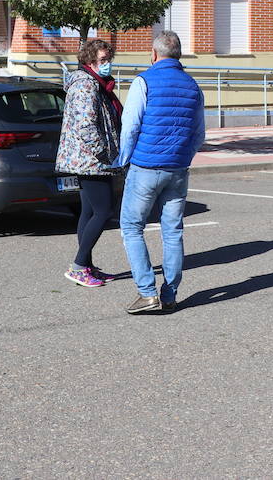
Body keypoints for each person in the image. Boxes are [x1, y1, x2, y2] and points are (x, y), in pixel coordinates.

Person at [116, 31, 206, 314]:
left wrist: (124, 159)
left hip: (146, 166)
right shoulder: (193, 86)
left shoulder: (144, 81)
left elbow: (130, 125)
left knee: (132, 227)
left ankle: (146, 292)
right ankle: (169, 293)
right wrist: (184, 156)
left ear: (153, 55)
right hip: (178, 168)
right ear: (178, 55)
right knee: (173, 232)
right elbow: (199, 133)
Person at [55, 38, 124, 289]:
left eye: (108, 59)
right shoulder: (85, 85)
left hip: (89, 159)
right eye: (102, 60)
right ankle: (78, 266)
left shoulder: (96, 83)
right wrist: (104, 154)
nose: (107, 64)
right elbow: (86, 125)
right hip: (91, 160)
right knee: (104, 210)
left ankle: (86, 266)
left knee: (89, 211)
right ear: (90, 60)